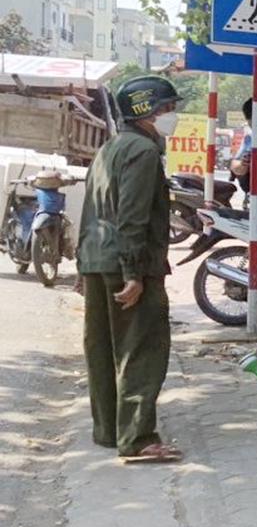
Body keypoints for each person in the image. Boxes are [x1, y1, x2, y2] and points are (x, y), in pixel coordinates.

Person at [77, 75, 184, 463]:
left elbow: (90, 211)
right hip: (127, 263)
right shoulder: (142, 151)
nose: (172, 116)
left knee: (103, 349)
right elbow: (132, 217)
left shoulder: (109, 148)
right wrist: (134, 273)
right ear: (146, 111)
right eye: (167, 108)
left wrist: (82, 267)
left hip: (97, 260)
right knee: (141, 349)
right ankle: (137, 439)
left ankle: (109, 431)